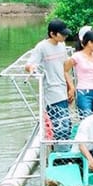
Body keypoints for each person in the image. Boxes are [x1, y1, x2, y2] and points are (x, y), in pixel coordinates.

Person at [25, 18, 75, 148]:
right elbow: (29, 64)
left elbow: (64, 68)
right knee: (60, 125)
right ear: (52, 34)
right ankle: (61, 154)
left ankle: (64, 149)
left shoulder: (62, 46)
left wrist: (70, 87)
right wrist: (32, 69)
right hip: (51, 91)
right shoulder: (42, 47)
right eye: (62, 34)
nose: (65, 36)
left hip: (62, 89)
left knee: (67, 123)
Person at [66, 26, 93, 118]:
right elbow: (65, 70)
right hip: (83, 91)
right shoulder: (76, 56)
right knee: (87, 118)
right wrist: (71, 87)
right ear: (89, 43)